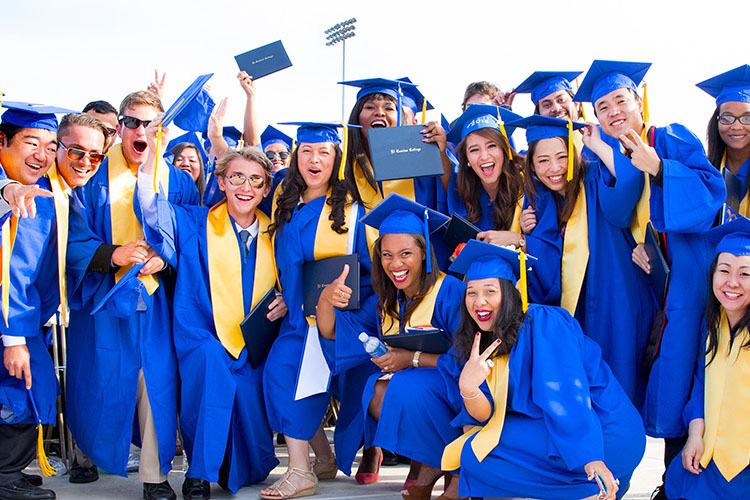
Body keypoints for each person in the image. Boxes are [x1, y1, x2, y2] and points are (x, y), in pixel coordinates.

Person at [573, 60, 726, 498]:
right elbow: (620, 214)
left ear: (638, 101)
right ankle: (675, 481)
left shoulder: (669, 136)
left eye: (620, 100)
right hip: (659, 283)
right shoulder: (612, 154)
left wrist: (659, 167)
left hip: (695, 280)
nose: (613, 111)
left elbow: (710, 191)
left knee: (692, 372)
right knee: (673, 376)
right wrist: (609, 157)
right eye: (602, 106)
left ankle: (680, 483)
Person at [137, 122, 283, 498]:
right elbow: (151, 205)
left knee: (250, 396)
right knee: (213, 366)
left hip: (255, 339)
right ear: (221, 182)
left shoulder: (276, 232)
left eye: (255, 180)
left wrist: (287, 299)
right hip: (201, 332)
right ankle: (197, 474)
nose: (245, 187)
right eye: (236, 177)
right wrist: (154, 148)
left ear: (266, 189)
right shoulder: (194, 222)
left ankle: (233, 464)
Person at [65, 90, 198, 500]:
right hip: (104, 295)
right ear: (119, 127)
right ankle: (84, 454)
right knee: (100, 376)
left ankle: (154, 477)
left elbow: (195, 234)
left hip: (158, 298)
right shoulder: (92, 176)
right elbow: (69, 234)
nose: (142, 130)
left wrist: (168, 257)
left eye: (151, 123)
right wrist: (112, 254)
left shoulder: (177, 180)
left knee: (154, 379)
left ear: (161, 129)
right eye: (133, 122)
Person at [439, 239, 646, 500]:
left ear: (510, 292)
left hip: (601, 429)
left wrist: (590, 457)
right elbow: (483, 416)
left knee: (478, 448)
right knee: (474, 452)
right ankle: (588, 490)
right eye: (471, 292)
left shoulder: (543, 322)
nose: (480, 302)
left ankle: (594, 483)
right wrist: (468, 387)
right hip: (555, 430)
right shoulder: (477, 340)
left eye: (490, 291)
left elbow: (566, 393)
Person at [316, 194, 465, 492]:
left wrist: (410, 359)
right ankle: (433, 461)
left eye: (406, 253)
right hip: (426, 394)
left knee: (403, 386)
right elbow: (336, 333)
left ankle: (455, 467)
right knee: (376, 390)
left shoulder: (450, 292)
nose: (395, 263)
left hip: (460, 392)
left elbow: (472, 361)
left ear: (424, 252)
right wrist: (325, 299)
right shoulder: (388, 302)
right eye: (386, 255)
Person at [510, 114, 656, 406]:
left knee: (618, 380)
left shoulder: (594, 176)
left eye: (562, 156)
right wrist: (528, 237)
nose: (554, 168)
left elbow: (629, 183)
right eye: (543, 161)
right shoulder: (537, 199)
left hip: (614, 294)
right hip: (576, 308)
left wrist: (597, 145)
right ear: (532, 166)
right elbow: (546, 264)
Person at [261, 122, 373, 499]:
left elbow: (367, 272)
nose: (314, 158)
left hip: (331, 320)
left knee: (291, 381)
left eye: (324, 152)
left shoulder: (353, 213)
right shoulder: (283, 201)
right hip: (293, 316)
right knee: (281, 379)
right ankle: (319, 459)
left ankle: (298, 471)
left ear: (336, 159)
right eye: (306, 150)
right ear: (295, 157)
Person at [0, 102, 71, 500]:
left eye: (49, 145)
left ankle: (9, 469)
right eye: (30, 142)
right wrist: (13, 338)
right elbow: (6, 271)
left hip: (27, 318)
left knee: (32, 388)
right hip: (10, 320)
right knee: (15, 391)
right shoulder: (13, 193)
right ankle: (5, 476)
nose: (41, 155)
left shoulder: (39, 190)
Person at [664, 217, 750, 500]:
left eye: (745, 274)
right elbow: (703, 383)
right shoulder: (713, 325)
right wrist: (695, 433)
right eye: (724, 270)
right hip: (710, 457)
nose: (732, 283)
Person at [338, 78, 450, 240]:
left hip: (424, 259)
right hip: (364, 263)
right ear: (356, 117)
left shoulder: (421, 159)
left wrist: (440, 152)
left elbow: (453, 196)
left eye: (389, 108)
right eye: (370, 107)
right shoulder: (344, 169)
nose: (380, 112)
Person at [442, 105, 527, 250]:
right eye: (474, 150)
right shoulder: (466, 192)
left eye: (492, 146)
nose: (484, 156)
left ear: (504, 150)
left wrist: (520, 239)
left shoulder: (527, 187)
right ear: (466, 159)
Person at [697, 65, 750, 214]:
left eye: (747, 118)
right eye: (727, 118)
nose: (736, 126)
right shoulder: (707, 169)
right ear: (717, 122)